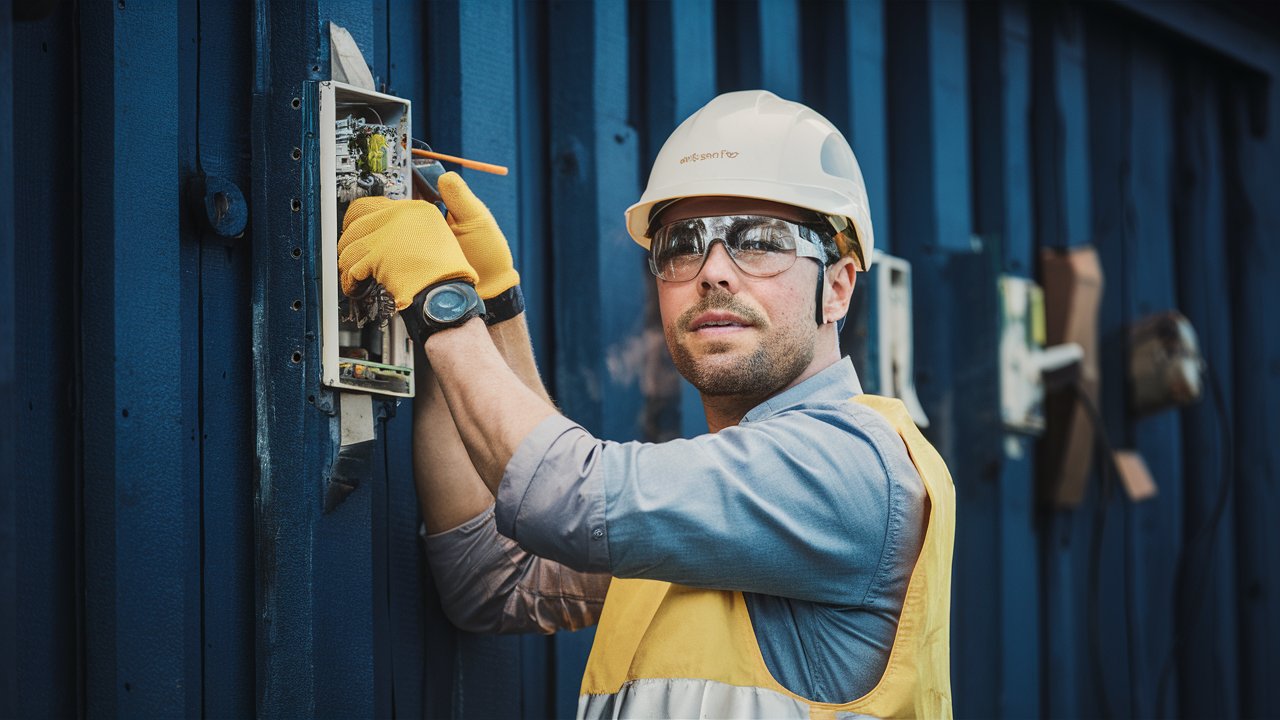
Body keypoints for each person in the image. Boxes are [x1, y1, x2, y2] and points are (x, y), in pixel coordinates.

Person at [337, 90, 956, 719]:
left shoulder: (848, 467)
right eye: (683, 243)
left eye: (762, 240)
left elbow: (564, 497)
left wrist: (442, 301)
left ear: (839, 286)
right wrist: (492, 306)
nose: (713, 270)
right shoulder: (708, 503)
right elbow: (492, 580)